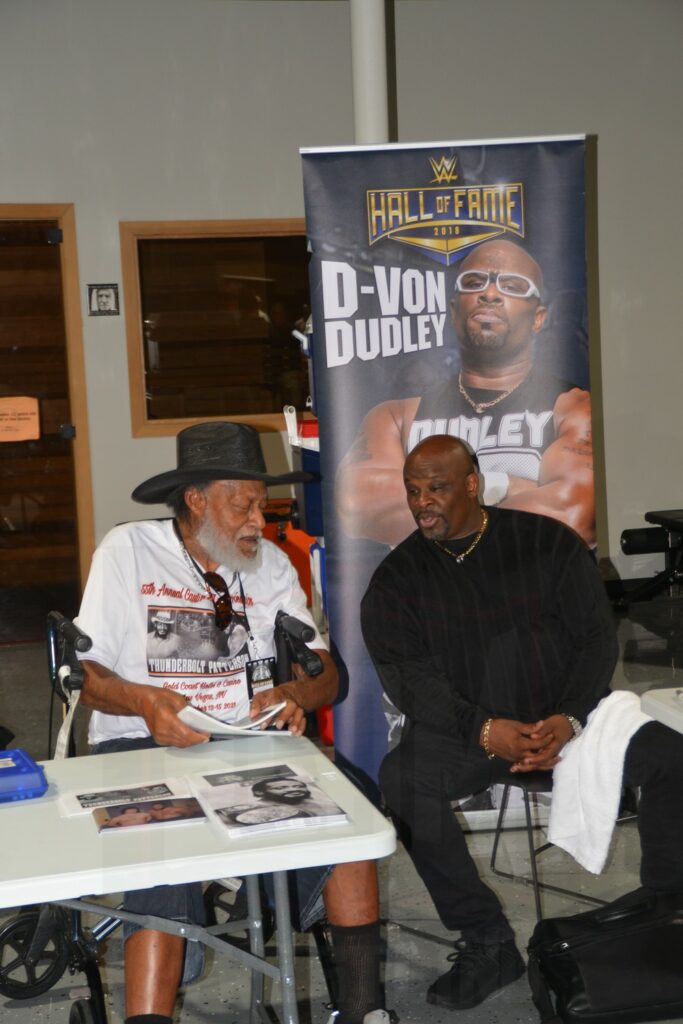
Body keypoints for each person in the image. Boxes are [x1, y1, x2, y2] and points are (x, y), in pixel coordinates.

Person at [76, 421, 390, 1024]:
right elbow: (82, 677)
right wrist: (145, 703)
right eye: (241, 504)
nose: (257, 520)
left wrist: (294, 691)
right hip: (140, 745)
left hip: (246, 746)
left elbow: (328, 672)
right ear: (196, 500)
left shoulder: (270, 564)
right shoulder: (129, 552)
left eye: (261, 504)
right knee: (163, 869)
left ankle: (362, 1011)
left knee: (352, 814)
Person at [360, 434, 683, 1012]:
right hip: (467, 732)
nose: (422, 502)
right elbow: (408, 680)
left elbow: (592, 640)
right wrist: (486, 729)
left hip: (570, 722)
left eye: (436, 487)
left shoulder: (547, 544)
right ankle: (486, 940)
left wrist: (570, 717)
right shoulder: (398, 580)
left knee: (672, 758)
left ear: (470, 484)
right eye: (413, 490)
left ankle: (665, 911)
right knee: (404, 780)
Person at [337, 239, 594, 548]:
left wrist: (435, 508)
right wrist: (501, 485)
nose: (489, 293)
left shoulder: (573, 408)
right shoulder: (396, 417)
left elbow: (575, 514)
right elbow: (358, 505)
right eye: (473, 282)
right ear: (453, 309)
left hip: (531, 595)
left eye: (512, 285)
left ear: (538, 318)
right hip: (429, 596)